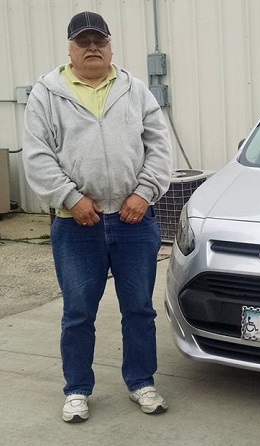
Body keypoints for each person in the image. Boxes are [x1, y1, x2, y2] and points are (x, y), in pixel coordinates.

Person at [22, 11, 172, 423]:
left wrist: (144, 194)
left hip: (134, 222)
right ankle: (76, 390)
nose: (92, 48)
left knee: (139, 309)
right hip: (76, 225)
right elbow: (37, 157)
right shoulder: (47, 94)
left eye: (99, 41)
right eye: (83, 41)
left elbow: (160, 148)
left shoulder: (135, 89)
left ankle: (142, 382)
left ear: (110, 46)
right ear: (69, 48)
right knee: (77, 313)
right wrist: (71, 198)